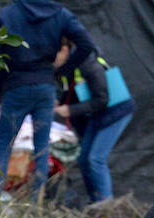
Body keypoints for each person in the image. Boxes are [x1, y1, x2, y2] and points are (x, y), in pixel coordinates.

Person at [0, 0, 93, 200]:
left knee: (3, 147)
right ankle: (35, 205)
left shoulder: (8, 14)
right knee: (41, 149)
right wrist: (62, 71)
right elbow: (86, 44)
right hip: (45, 88)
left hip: (15, 88)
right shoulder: (60, 13)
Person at [53, 39, 136, 205]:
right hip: (97, 113)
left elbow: (101, 99)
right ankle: (95, 202)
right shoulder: (68, 68)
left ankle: (106, 206)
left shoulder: (88, 64)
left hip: (116, 111)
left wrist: (70, 110)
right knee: (84, 158)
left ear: (64, 50)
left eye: (52, 55)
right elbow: (72, 92)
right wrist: (61, 103)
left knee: (95, 158)